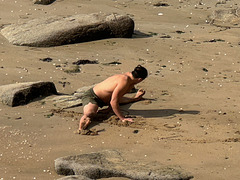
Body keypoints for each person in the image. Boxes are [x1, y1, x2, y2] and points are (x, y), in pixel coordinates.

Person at [78, 65, 148, 131]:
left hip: (107, 100)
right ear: (139, 79)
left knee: (125, 100)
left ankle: (135, 98)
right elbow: (114, 101)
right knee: (90, 113)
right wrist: (122, 118)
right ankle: (81, 130)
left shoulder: (130, 79)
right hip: (93, 96)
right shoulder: (124, 81)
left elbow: (117, 97)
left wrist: (109, 109)